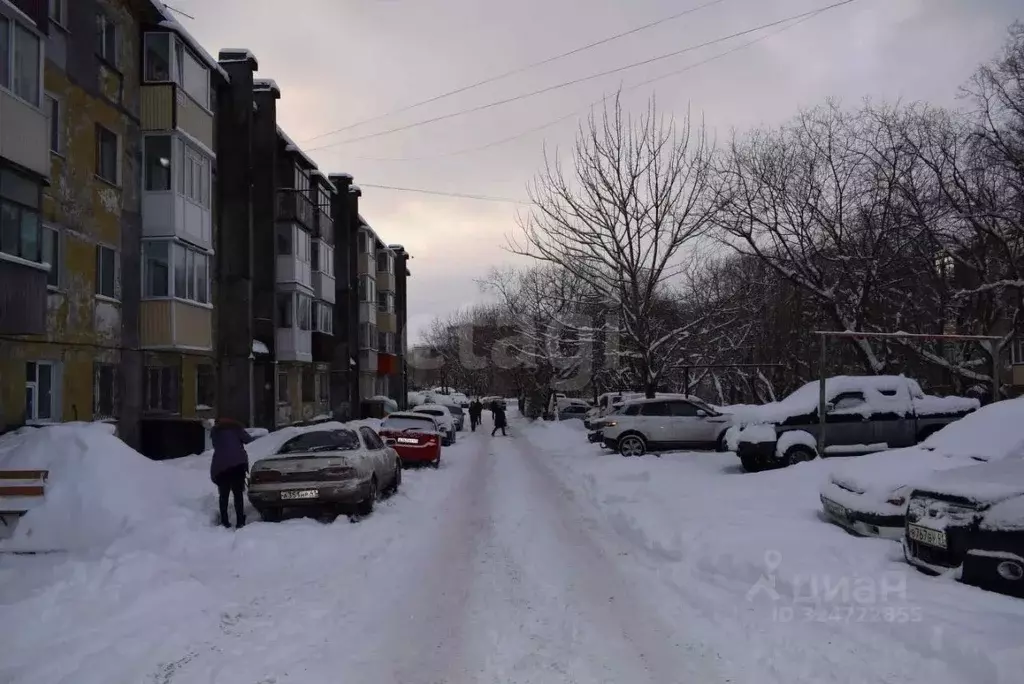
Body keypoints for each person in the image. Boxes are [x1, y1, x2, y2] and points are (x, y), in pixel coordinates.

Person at [210, 417, 254, 529]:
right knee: (238, 494)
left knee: (223, 495)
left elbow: (216, 445)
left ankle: (224, 521)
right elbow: (248, 440)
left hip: (222, 466)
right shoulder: (236, 429)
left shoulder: (216, 431)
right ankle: (240, 521)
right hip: (238, 465)